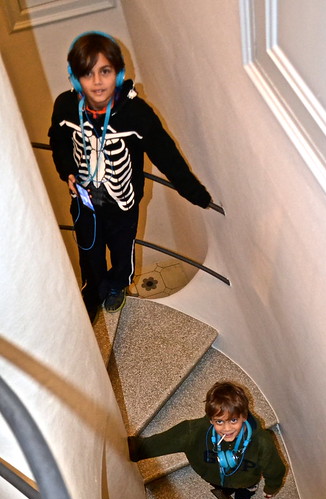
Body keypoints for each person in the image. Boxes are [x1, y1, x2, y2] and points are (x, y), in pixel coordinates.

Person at [48, 31, 212, 321]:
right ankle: (93, 288)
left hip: (122, 204)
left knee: (122, 250)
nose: (97, 82)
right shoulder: (64, 107)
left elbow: (166, 155)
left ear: (119, 72)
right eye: (87, 73)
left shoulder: (136, 114)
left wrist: (195, 193)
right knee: (88, 249)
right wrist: (67, 172)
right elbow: (58, 140)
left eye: (105, 71)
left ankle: (117, 285)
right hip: (84, 199)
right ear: (74, 78)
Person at [128, 381, 286, 499]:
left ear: (244, 417)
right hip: (215, 477)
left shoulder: (262, 442)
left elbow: (275, 469)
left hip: (246, 481)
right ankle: (225, 489)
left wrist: (271, 488)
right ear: (211, 420)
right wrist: (133, 449)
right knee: (220, 486)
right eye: (219, 421)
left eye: (233, 420)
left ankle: (244, 495)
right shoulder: (194, 432)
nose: (227, 429)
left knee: (245, 491)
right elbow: (161, 442)